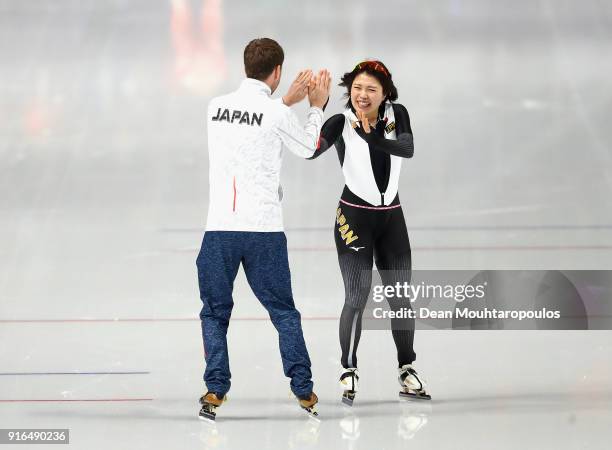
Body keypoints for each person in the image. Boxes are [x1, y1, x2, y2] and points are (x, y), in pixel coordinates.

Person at [196, 37, 331, 420]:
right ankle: (304, 389)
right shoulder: (276, 115)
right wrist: (315, 107)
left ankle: (215, 389)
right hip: (264, 232)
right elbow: (307, 147)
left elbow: (252, 125)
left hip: (219, 229)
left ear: (246, 67)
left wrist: (282, 103)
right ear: (277, 72)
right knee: (284, 313)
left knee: (214, 313)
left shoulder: (216, 107)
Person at [308, 60, 430, 405]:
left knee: (401, 300)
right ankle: (348, 368)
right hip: (354, 219)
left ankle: (407, 369)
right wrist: (315, 110)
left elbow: (407, 148)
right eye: (357, 88)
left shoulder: (397, 113)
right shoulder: (340, 122)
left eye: (371, 90)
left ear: (385, 93)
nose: (362, 96)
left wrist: (373, 138)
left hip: (392, 218)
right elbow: (309, 151)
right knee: (357, 298)